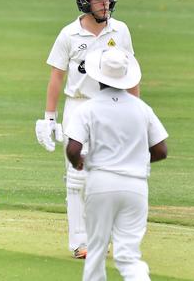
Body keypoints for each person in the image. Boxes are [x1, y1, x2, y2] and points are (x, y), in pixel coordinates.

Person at [35, 0, 140, 258]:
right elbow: (56, 77)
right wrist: (48, 117)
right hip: (78, 108)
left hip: (113, 107)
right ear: (85, 3)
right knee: (77, 176)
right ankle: (80, 242)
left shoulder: (121, 30)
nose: (104, 3)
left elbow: (132, 73)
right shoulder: (69, 34)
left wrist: (136, 112)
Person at [66, 47, 168, 281]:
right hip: (136, 185)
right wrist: (136, 159)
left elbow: (73, 148)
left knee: (96, 250)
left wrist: (80, 162)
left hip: (101, 181)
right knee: (129, 255)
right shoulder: (142, 108)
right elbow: (161, 150)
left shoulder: (87, 108)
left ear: (97, 75)